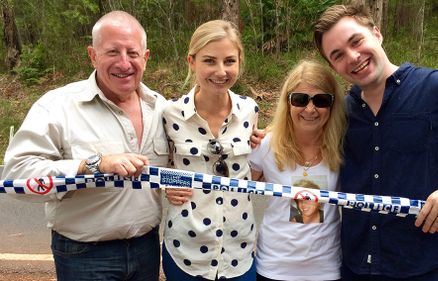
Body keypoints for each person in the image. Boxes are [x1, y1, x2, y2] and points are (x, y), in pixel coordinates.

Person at [312, 3, 438, 281]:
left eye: (356, 41)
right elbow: (300, 139)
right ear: (333, 65)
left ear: (376, 33)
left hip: (424, 268)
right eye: (338, 55)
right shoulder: (339, 112)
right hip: (354, 268)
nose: (353, 57)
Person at [1, 11, 168, 281]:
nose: (124, 62)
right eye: (112, 51)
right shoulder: (57, 106)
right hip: (84, 257)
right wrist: (91, 165)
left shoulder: (162, 108)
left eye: (132, 53)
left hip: (147, 250)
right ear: (92, 55)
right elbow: (16, 175)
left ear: (146, 57)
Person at [161, 19, 259, 281]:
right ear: (191, 62)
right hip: (186, 251)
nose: (220, 71)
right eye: (209, 61)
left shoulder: (250, 110)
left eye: (229, 61)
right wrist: (168, 185)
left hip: (239, 251)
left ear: (239, 61)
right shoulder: (170, 114)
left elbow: (257, 166)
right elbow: (160, 167)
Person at [249, 60, 346, 281]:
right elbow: (235, 192)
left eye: (321, 100)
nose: (310, 109)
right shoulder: (265, 145)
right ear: (288, 102)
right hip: (274, 267)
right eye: (300, 99)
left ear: (332, 105)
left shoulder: (343, 148)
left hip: (327, 269)